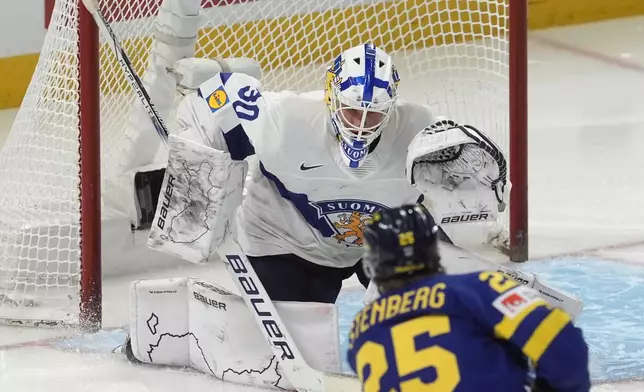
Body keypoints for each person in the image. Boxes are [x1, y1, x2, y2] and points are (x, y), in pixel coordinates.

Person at [148, 42, 508, 304]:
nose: (362, 126)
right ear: (331, 97)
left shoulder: (420, 128)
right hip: (285, 241)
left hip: (380, 240)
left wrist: (477, 200)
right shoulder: (286, 120)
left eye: (375, 115)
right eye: (353, 111)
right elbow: (210, 98)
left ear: (392, 108)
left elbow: (463, 187)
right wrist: (191, 198)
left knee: (437, 316)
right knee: (300, 351)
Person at [347, 203, 590, 392]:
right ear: (434, 251)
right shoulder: (478, 289)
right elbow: (560, 340)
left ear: (373, 262)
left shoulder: (361, 328)